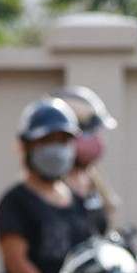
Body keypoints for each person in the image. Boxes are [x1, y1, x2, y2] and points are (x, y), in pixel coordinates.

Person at [0, 96, 102, 273]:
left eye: (63, 141)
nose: (57, 149)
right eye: (47, 141)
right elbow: (18, 265)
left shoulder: (78, 201)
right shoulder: (15, 202)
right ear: (27, 146)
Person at [52, 85, 120, 233]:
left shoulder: (91, 175)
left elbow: (111, 209)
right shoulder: (47, 183)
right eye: (89, 130)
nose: (95, 138)